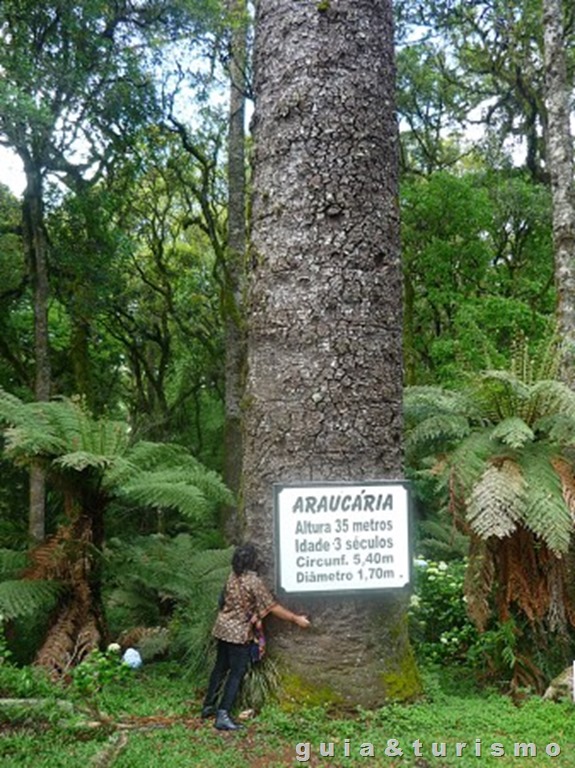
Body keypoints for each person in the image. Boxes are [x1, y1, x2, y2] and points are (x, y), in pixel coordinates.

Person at [201, 542, 311, 731]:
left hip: (222, 628)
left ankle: (208, 706)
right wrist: (296, 619)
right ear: (252, 561)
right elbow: (272, 607)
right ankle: (223, 714)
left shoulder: (232, 576)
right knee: (237, 673)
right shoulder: (253, 582)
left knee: (220, 667)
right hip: (238, 634)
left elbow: (223, 601)